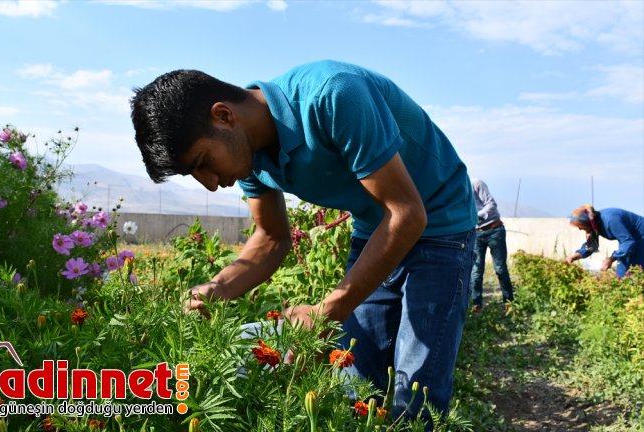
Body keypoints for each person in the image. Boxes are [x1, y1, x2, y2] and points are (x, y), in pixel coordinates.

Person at [131, 60, 477, 421]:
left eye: (203, 162)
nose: (211, 182)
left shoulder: (333, 95)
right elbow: (271, 238)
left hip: (441, 225)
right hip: (376, 227)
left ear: (223, 115)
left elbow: (408, 214)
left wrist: (328, 311)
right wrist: (216, 288)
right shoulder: (250, 157)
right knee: (357, 383)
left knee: (417, 390)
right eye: (195, 174)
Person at [469, 178, 514, 312]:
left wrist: (475, 217)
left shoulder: (476, 183)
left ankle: (509, 303)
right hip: (476, 233)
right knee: (476, 271)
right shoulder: (457, 189)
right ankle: (476, 305)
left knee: (500, 269)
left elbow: (491, 205)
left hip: (494, 230)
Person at [566, 205, 644, 278]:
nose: (580, 229)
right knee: (623, 272)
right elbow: (592, 246)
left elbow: (628, 242)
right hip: (631, 239)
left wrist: (611, 259)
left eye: (581, 226)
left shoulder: (610, 220)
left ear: (587, 222)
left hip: (641, 236)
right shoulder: (594, 224)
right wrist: (576, 255)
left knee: (633, 271)